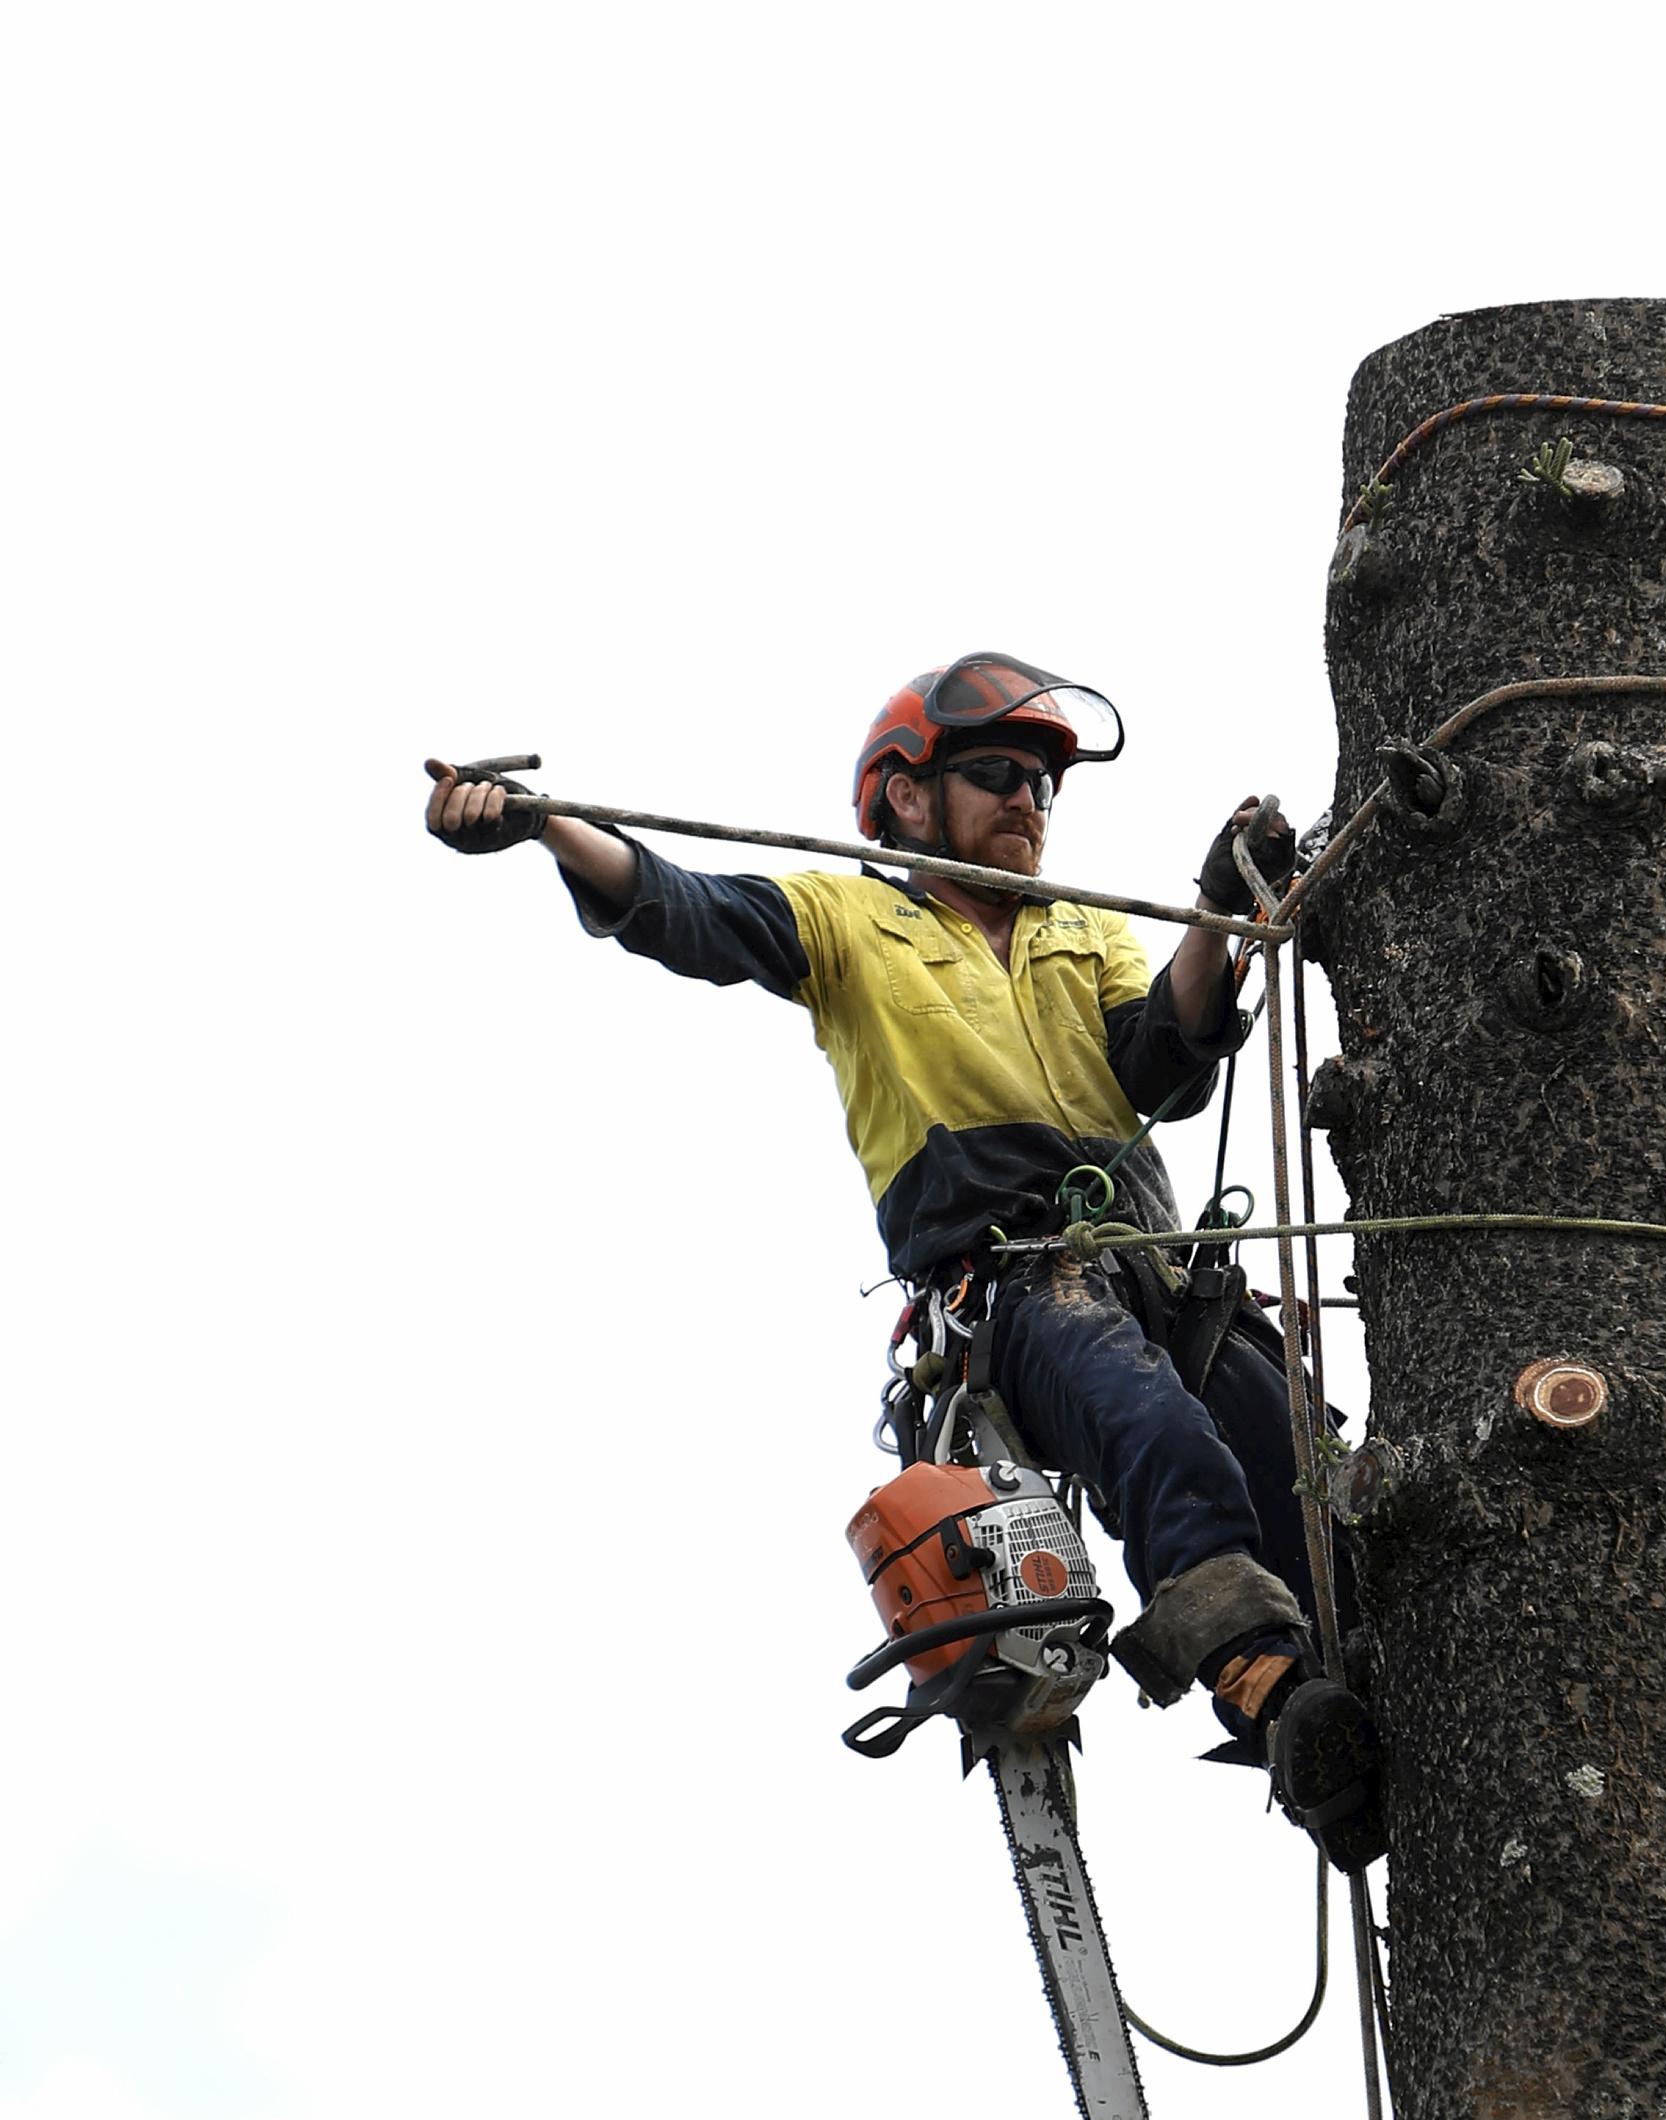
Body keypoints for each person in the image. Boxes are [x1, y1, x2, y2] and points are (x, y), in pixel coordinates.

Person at [423, 653, 1383, 1866]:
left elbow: (1157, 1064)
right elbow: (684, 905)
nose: (1028, 801)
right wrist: (546, 828)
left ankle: (1366, 1724)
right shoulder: (851, 924)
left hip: (1160, 1266)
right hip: (1018, 1278)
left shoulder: (1080, 926)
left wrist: (1214, 911)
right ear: (905, 796)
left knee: (1310, 1465)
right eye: (995, 775)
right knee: (1157, 1435)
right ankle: (1266, 1681)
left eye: (1042, 783)